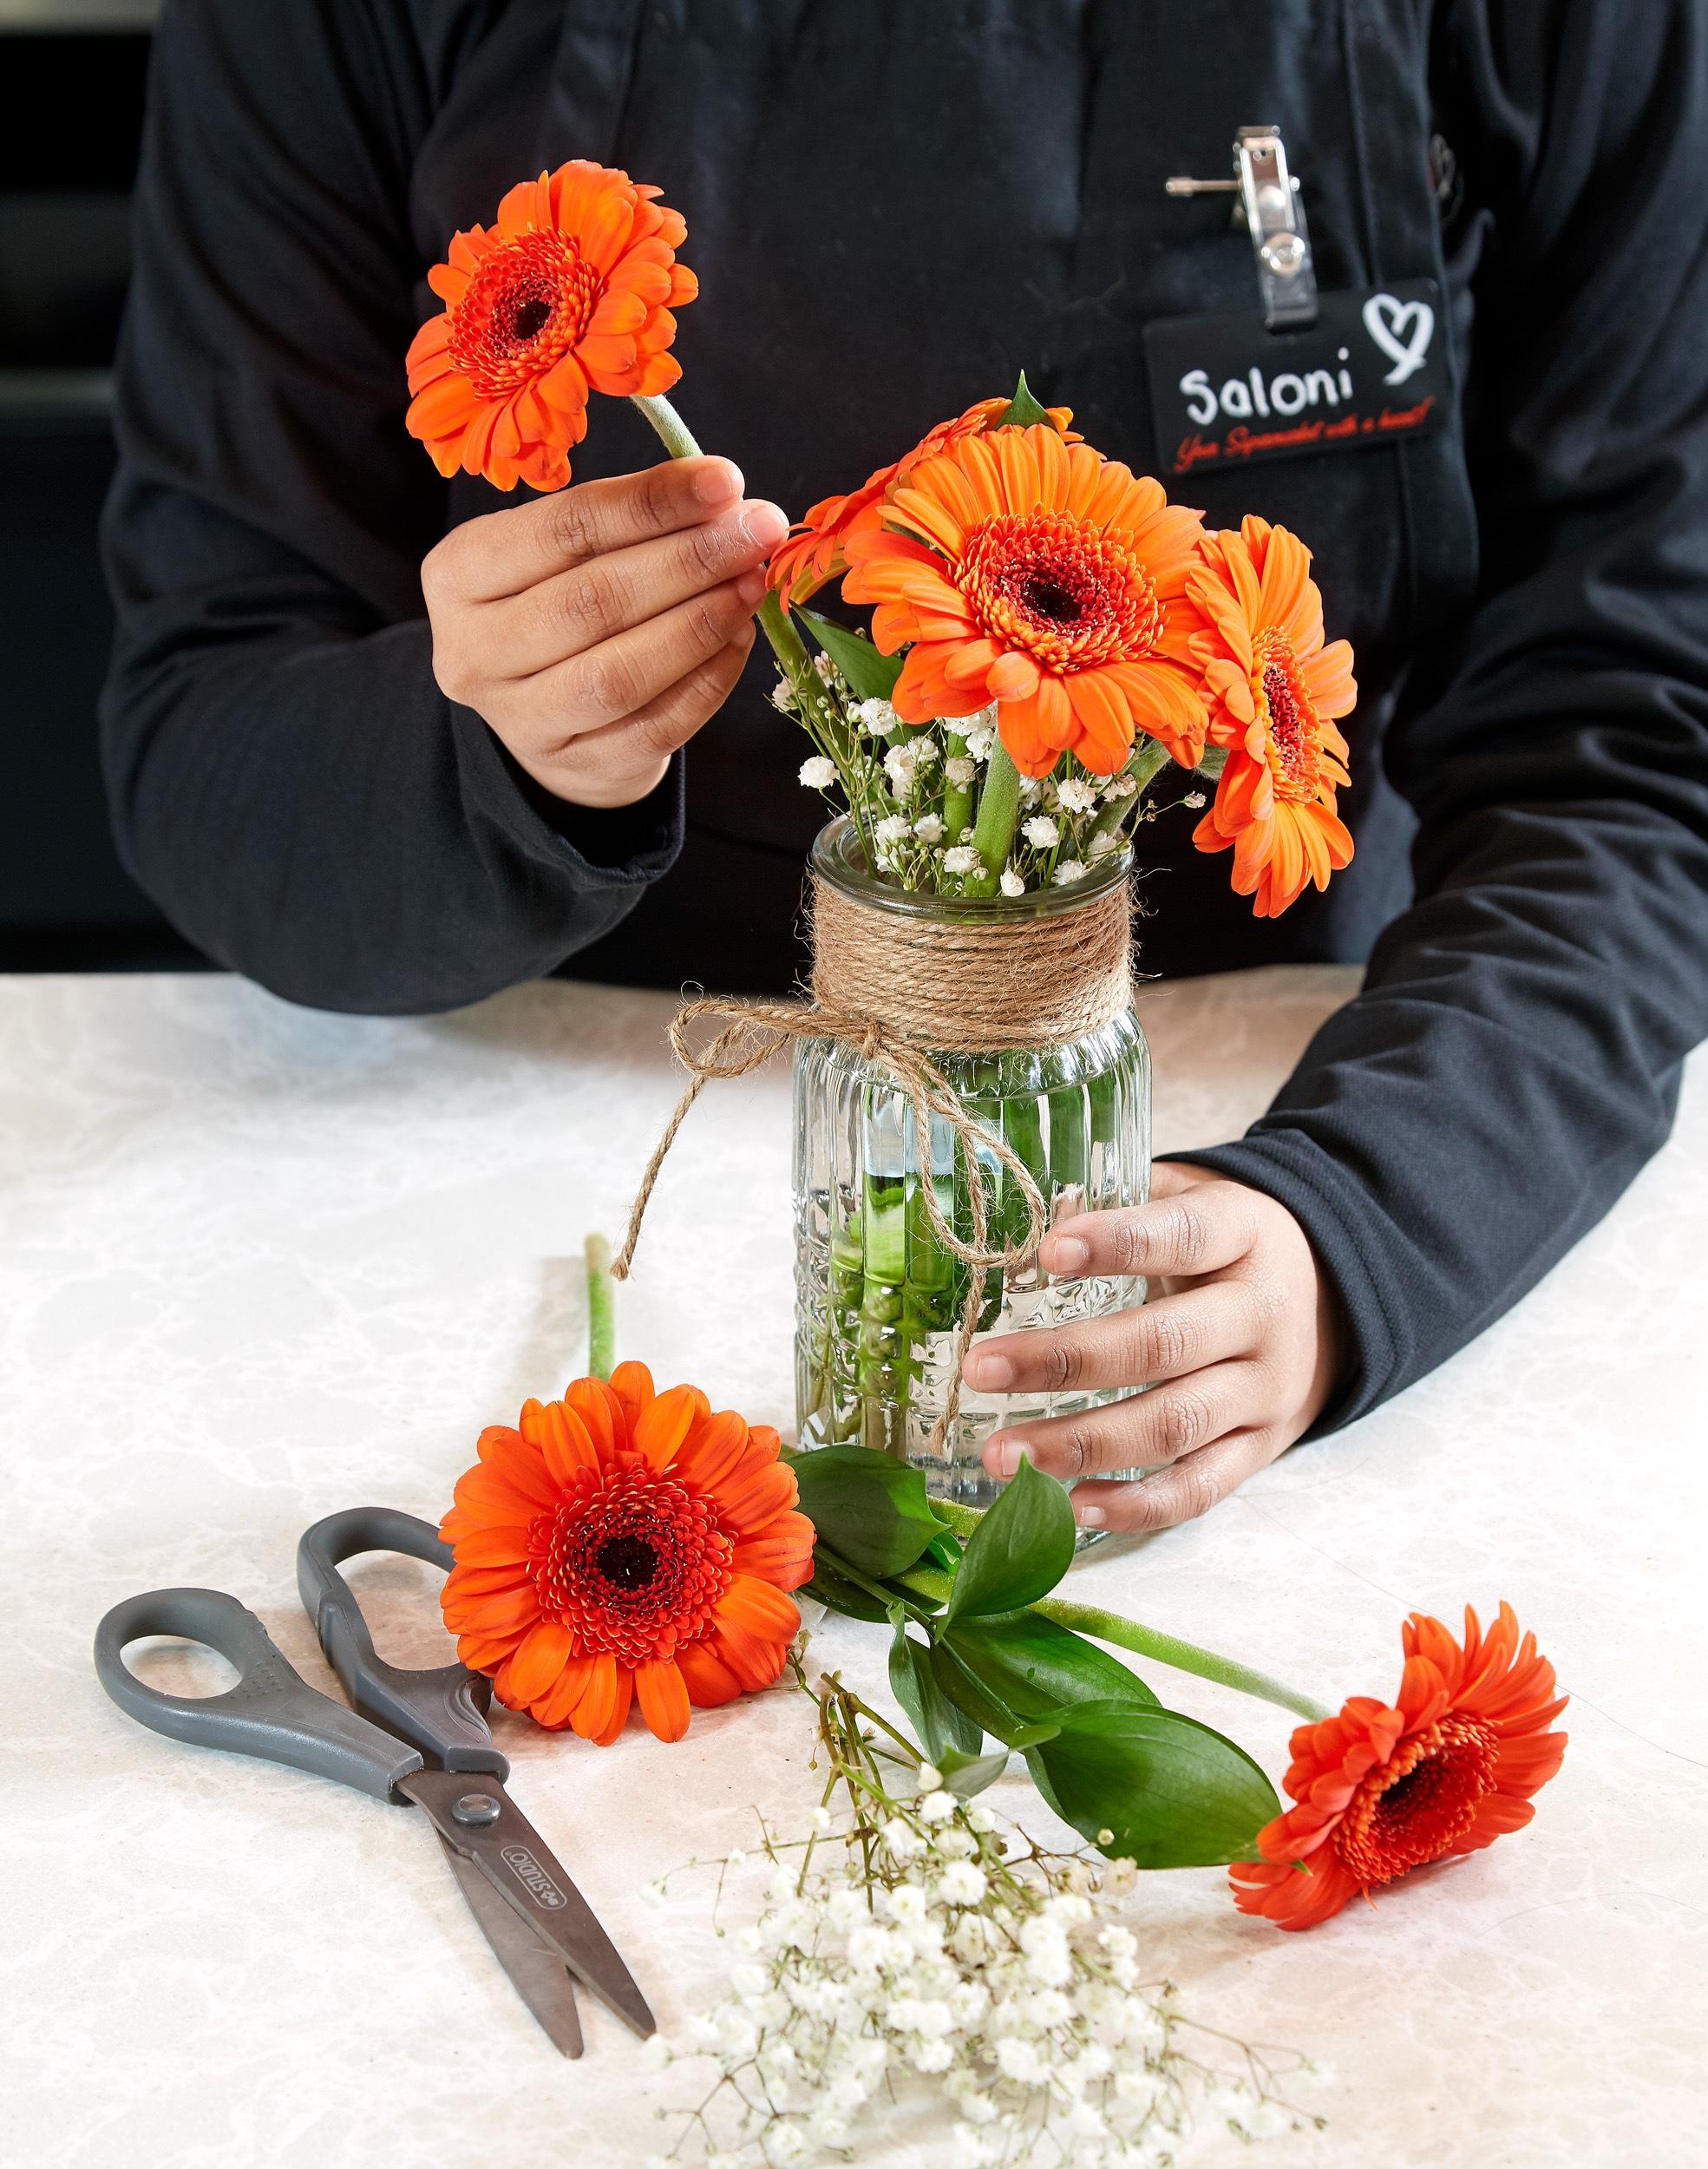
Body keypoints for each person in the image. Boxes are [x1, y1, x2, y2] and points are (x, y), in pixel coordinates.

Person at [101, 2, 1708, 1536]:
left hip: (1254, 1150)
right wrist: (502, 755)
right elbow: (207, 727)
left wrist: (1361, 1226)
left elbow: (1635, 755)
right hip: (514, 1199)